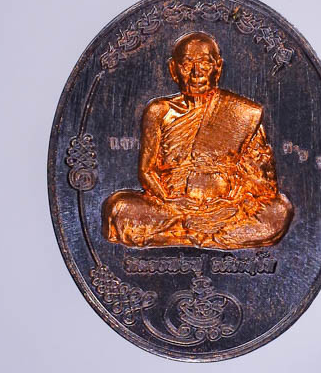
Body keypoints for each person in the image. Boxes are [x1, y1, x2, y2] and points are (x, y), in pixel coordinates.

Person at [102, 32, 293, 249]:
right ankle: (209, 235)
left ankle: (185, 235)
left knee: (279, 211)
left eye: (205, 63)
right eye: (186, 65)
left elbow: (264, 185)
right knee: (118, 208)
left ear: (218, 68)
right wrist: (170, 200)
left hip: (227, 207)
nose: (196, 73)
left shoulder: (243, 113)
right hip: (173, 207)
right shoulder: (159, 111)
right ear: (173, 69)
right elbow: (147, 172)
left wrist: (232, 201)